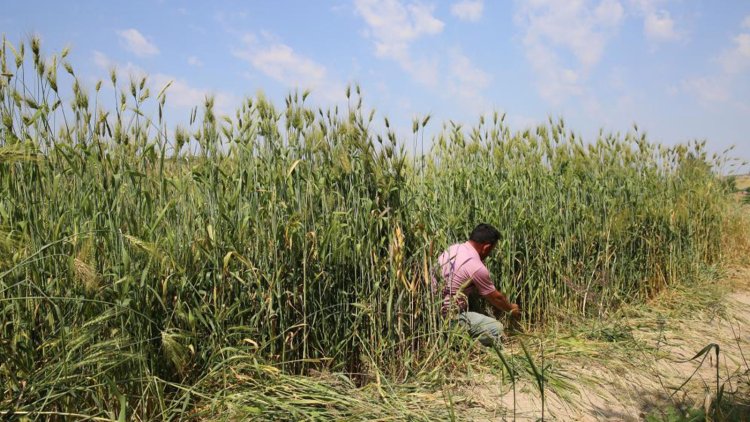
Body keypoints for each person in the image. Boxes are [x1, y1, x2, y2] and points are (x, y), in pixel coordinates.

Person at [434, 223, 520, 346]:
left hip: (432, 312)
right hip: (449, 318)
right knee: (497, 329)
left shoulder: (453, 248)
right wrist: (512, 309)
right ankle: (460, 343)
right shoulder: (476, 266)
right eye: (491, 250)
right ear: (486, 247)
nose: (489, 254)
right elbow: (496, 298)